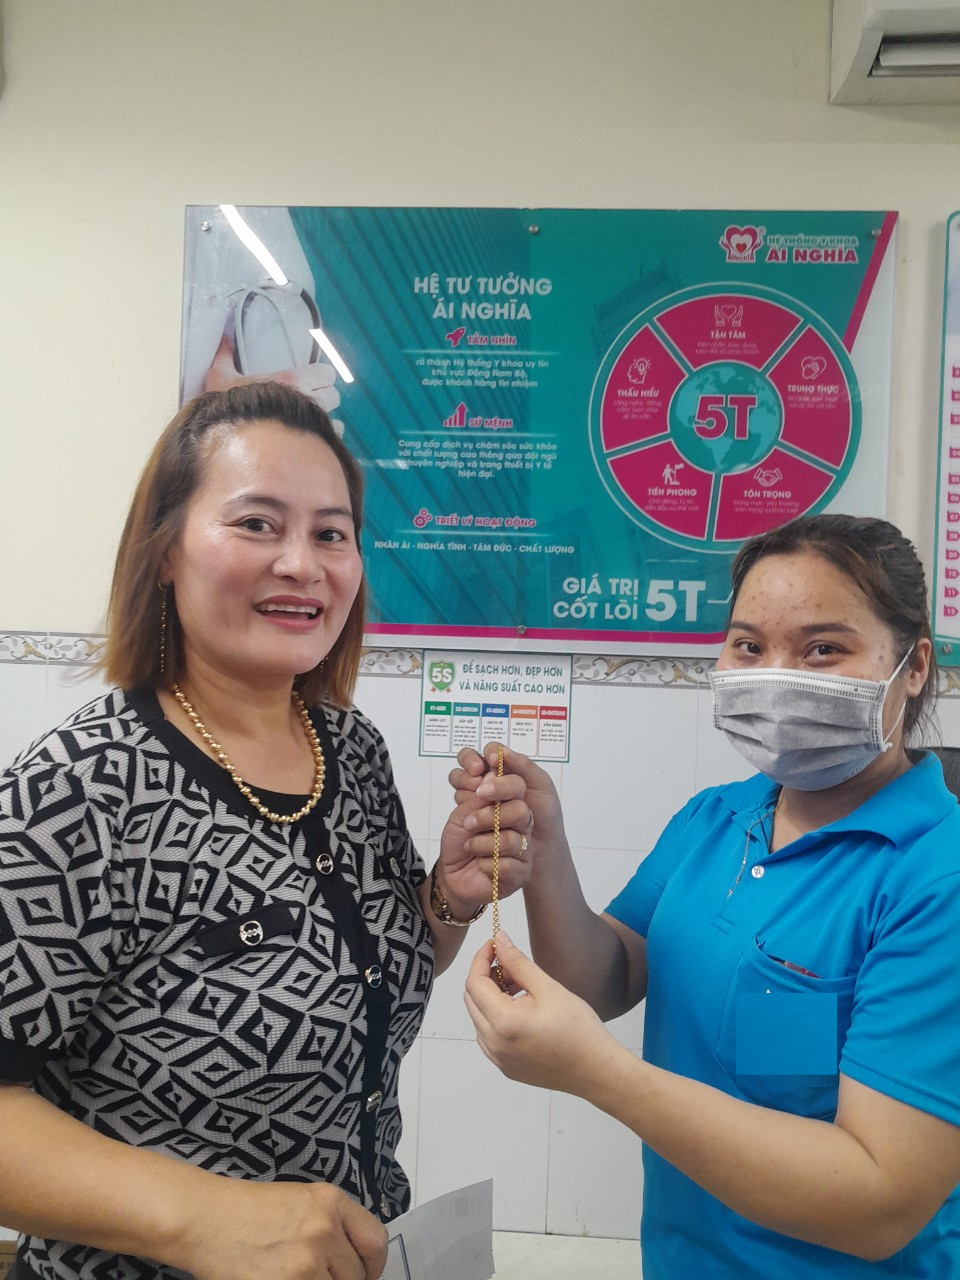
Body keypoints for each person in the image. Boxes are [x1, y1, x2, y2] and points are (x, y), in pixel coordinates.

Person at [0, 382, 529, 1280]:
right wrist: (201, 1218)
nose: (301, 564)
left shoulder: (349, 751)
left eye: (331, 533)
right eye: (257, 524)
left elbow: (360, 970)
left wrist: (447, 897)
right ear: (164, 553)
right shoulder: (81, 787)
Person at [456, 514, 960, 1278]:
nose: (777, 676)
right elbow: (607, 977)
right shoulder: (718, 816)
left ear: (914, 665)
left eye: (823, 649)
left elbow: (880, 1202)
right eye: (749, 646)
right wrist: (545, 849)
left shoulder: (935, 878)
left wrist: (600, 1074)